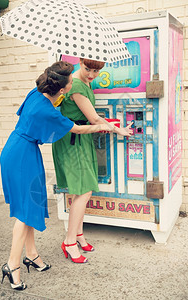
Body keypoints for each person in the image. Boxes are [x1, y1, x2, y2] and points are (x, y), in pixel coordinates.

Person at [0, 61, 120, 291]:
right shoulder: (47, 109)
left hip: (16, 149)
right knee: (25, 213)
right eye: (70, 82)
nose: (73, 82)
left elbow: (27, 115)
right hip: (22, 156)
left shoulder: (36, 93)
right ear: (63, 88)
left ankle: (32, 255)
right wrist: (104, 127)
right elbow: (76, 128)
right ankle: (12, 265)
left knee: (30, 206)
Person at [52, 58, 133, 264]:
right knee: (84, 189)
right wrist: (118, 130)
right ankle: (69, 242)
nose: (91, 74)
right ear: (80, 62)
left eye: (96, 71)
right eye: (88, 69)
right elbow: (95, 119)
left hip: (82, 137)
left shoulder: (84, 82)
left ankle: (78, 235)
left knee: (83, 188)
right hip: (73, 139)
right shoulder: (77, 85)